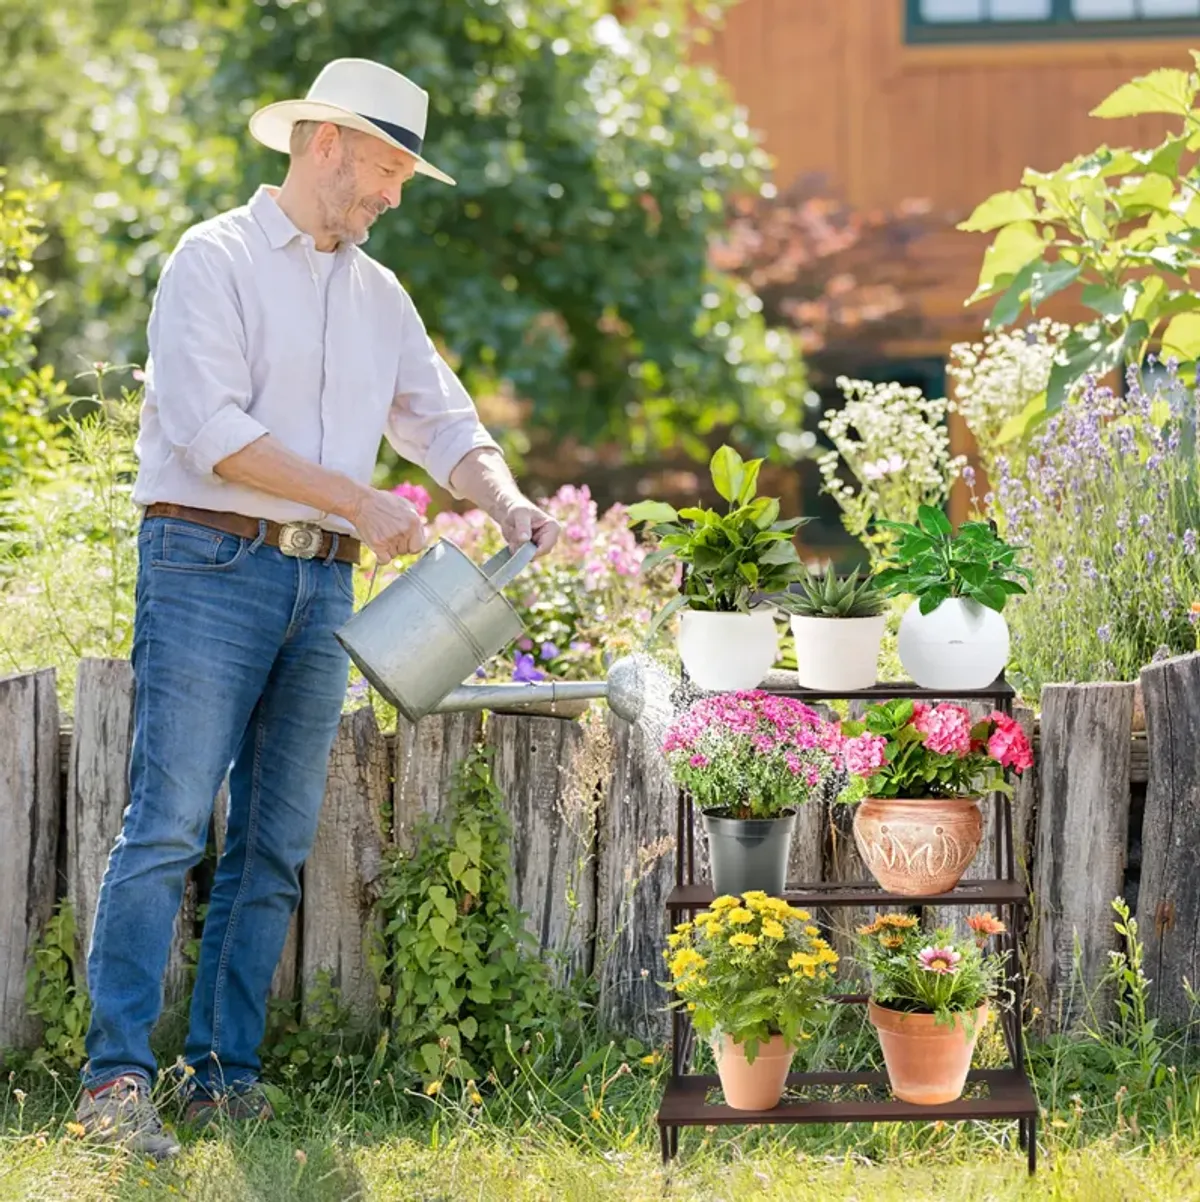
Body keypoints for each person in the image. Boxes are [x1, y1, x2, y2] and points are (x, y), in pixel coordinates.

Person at [74, 57, 560, 1156]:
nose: (393, 196)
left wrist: (509, 498)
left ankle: (221, 1076)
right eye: (387, 170)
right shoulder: (216, 259)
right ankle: (114, 1082)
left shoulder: (380, 294)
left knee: (276, 840)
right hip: (207, 561)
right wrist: (355, 496)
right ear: (324, 143)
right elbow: (213, 434)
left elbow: (444, 424)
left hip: (322, 584)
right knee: (164, 823)